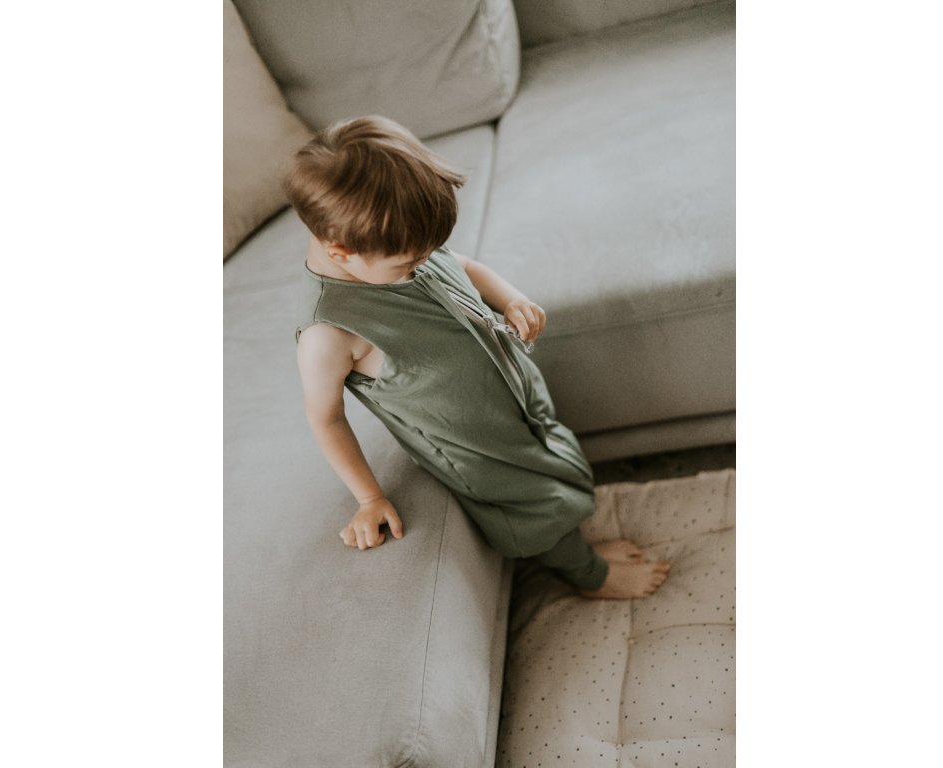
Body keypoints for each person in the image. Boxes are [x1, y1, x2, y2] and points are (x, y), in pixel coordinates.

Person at [285, 115, 669, 599]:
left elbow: (463, 266)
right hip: (475, 448)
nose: (424, 264)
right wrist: (369, 497)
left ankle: (580, 528)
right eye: (410, 263)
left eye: (431, 252)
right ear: (341, 252)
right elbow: (325, 417)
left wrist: (511, 299)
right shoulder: (328, 333)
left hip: (511, 395)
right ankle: (588, 574)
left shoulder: (396, 245)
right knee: (536, 509)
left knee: (555, 463)